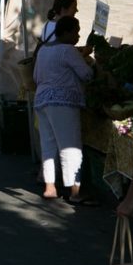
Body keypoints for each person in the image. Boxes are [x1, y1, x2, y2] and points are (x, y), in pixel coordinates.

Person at [33, 16, 94, 204]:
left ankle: (50, 187)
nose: (78, 35)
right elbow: (86, 74)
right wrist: (92, 65)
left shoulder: (44, 49)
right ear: (66, 32)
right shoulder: (68, 50)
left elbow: (36, 76)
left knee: (49, 145)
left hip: (42, 100)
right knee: (70, 146)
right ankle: (74, 192)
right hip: (63, 102)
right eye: (76, 31)